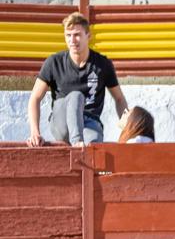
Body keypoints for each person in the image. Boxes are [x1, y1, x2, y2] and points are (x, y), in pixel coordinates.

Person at [26, 12, 128, 147]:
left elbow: (119, 99)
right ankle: (77, 144)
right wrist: (35, 132)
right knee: (76, 96)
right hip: (62, 121)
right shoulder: (54, 62)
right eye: (68, 35)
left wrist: (128, 130)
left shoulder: (102, 64)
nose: (72, 40)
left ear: (88, 36)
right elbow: (35, 98)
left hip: (89, 122)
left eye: (77, 35)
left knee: (94, 145)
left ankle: (81, 146)